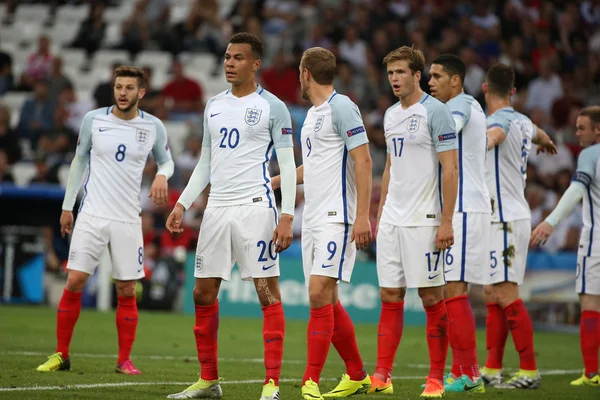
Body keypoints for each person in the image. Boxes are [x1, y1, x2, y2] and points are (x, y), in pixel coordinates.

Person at [165, 33, 297, 400]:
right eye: (226, 56)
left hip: (256, 205)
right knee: (202, 293)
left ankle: (271, 385)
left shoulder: (273, 107)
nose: (229, 63)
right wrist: (183, 203)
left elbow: (286, 162)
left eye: (238, 58)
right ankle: (209, 381)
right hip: (217, 208)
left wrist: (287, 214)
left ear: (255, 64)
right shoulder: (213, 105)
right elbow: (206, 161)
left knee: (266, 293)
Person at [36, 66, 174, 374]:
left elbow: (167, 162)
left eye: (129, 88)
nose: (122, 92)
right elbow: (79, 160)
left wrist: (162, 176)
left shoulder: (153, 126)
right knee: (74, 280)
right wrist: (67, 206)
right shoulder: (93, 120)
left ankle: (124, 359)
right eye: (118, 87)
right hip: (92, 214)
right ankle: (61, 354)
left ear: (141, 92)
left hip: (127, 219)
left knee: (126, 289)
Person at [272, 46, 373, 399]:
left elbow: (363, 161)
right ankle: (358, 374)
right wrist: (277, 181)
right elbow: (313, 167)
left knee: (316, 294)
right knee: (328, 299)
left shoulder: (342, 107)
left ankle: (310, 380)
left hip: (338, 216)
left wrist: (362, 215)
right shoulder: (314, 115)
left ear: (305, 74)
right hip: (312, 218)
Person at [369, 46, 458, 399]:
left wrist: (446, 221)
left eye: (401, 72)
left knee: (431, 296)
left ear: (417, 75)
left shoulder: (436, 113)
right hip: (392, 218)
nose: (394, 78)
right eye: (390, 73)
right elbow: (390, 166)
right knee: (390, 295)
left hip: (425, 219)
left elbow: (450, 169)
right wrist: (380, 213)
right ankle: (382, 375)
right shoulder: (390, 115)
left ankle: (436, 378)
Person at [480, 63, 556, 389]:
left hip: (506, 218)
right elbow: (541, 134)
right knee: (491, 292)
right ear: (513, 90)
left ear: (484, 88)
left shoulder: (496, 123)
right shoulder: (524, 121)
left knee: (506, 292)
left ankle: (529, 371)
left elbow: (494, 137)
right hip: (500, 217)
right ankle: (492, 369)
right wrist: (548, 142)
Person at [427, 54, 488, 393]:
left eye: (437, 76)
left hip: (463, 209)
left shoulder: (461, 105)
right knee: (454, 289)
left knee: (454, 289)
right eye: (429, 76)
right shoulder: (469, 105)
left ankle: (470, 374)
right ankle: (462, 370)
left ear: (455, 80)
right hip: (465, 207)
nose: (430, 82)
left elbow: (451, 128)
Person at [531, 106, 600, 387]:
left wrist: (551, 221)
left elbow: (576, 189)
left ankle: (591, 373)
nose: (577, 133)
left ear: (598, 129)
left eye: (582, 128)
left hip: (596, 240)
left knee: (590, 303)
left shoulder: (589, 155)